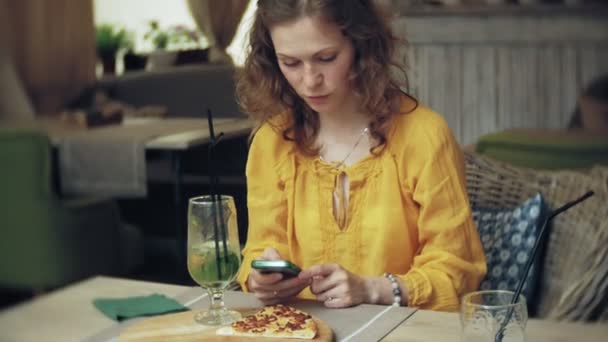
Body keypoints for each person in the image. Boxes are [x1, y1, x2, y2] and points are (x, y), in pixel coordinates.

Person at [235, 0, 486, 311]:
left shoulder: (424, 136)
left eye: (326, 58)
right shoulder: (271, 142)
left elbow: (458, 271)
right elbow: (259, 250)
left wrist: (373, 288)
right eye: (291, 63)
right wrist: (262, 278)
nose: (310, 80)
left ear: (361, 45)